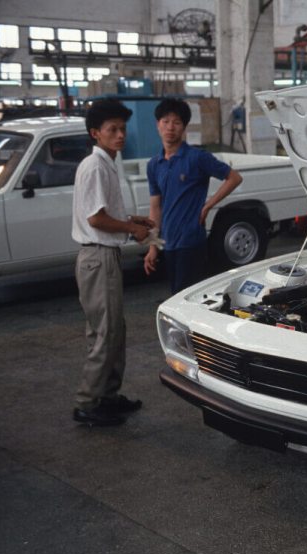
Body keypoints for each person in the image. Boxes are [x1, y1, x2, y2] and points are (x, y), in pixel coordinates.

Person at [71, 99, 155, 426]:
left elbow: (105, 212)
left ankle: (107, 395)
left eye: (122, 129)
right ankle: (88, 403)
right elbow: (95, 219)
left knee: (114, 330)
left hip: (105, 256)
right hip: (98, 257)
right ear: (96, 133)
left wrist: (134, 219)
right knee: (105, 333)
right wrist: (130, 229)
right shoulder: (94, 166)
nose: (120, 135)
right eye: (112, 130)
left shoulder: (107, 162)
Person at [143, 98, 243, 293]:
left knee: (186, 295)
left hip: (190, 242)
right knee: (176, 294)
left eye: (177, 122)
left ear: (184, 127)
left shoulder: (197, 157)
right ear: (157, 125)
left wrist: (208, 205)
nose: (170, 127)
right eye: (165, 121)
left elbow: (234, 178)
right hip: (168, 243)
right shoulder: (154, 165)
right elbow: (155, 208)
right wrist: (152, 245)